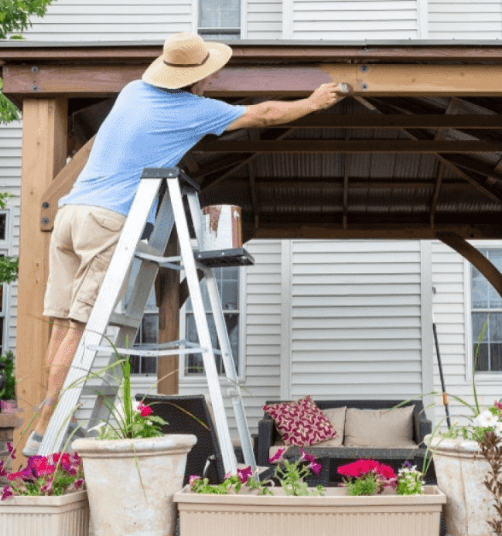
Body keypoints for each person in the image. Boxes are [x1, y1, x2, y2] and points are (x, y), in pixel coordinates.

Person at [25, 32, 345, 455]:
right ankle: (50, 425)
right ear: (198, 79)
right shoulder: (192, 110)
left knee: (63, 324)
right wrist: (312, 102)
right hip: (107, 219)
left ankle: (42, 424)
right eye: (209, 75)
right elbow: (264, 113)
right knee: (83, 328)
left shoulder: (132, 91)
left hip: (71, 211)